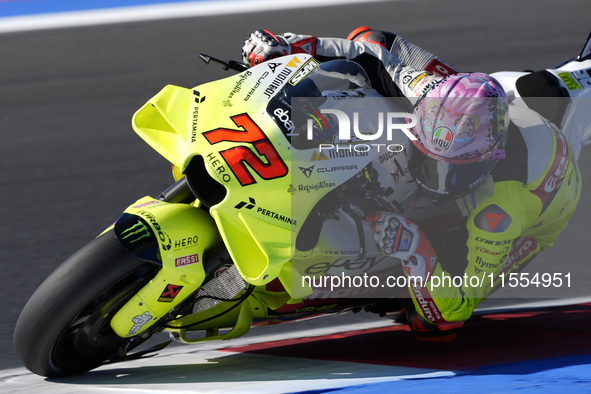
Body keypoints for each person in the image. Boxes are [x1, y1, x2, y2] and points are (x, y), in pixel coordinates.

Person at [241, 28, 585, 342]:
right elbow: (369, 54)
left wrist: (415, 249)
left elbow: (456, 311)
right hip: (474, 124)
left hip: (541, 207)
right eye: (428, 160)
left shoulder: (499, 213)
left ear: (487, 162)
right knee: (371, 38)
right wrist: (291, 46)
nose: (433, 179)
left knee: (430, 322)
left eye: (451, 172)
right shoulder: (430, 95)